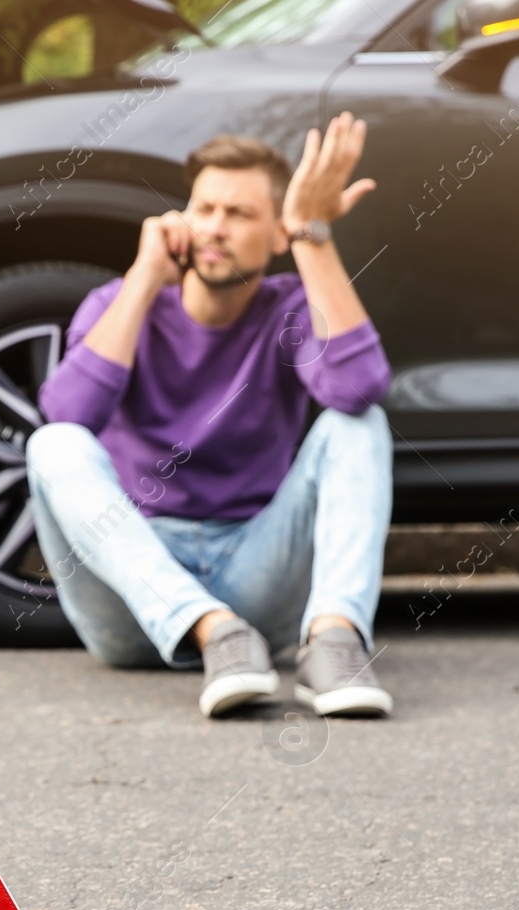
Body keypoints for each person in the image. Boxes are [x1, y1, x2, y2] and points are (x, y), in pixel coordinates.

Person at [26, 113, 394, 718]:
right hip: (133, 595)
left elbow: (357, 389)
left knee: (360, 425)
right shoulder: (118, 304)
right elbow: (69, 413)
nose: (215, 229)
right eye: (205, 209)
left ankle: (333, 642)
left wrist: (314, 234)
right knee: (53, 444)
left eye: (240, 214)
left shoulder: (292, 311)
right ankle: (210, 629)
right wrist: (143, 280)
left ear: (277, 235)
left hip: (255, 571)